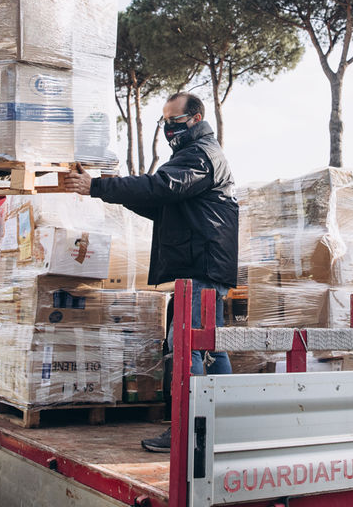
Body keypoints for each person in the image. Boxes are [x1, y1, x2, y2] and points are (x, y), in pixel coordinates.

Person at [63, 91, 238, 454]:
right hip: (203, 265)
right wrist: (111, 189)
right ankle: (225, 426)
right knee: (211, 347)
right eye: (166, 122)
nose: (170, 129)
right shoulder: (193, 156)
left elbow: (161, 187)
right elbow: (162, 205)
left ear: (197, 116)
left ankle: (190, 432)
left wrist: (97, 187)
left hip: (201, 267)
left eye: (176, 121)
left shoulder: (201, 156)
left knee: (185, 344)